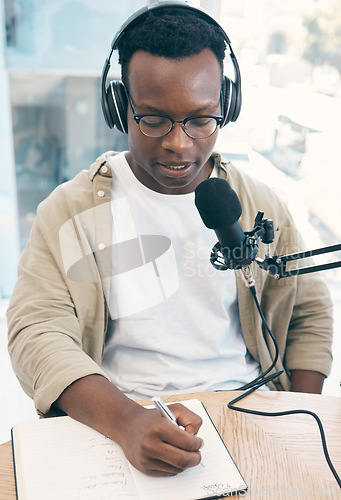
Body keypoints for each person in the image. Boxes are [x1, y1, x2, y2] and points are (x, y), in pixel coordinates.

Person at [7, 1, 333, 478]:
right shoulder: (72, 210)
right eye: (154, 119)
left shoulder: (262, 202)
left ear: (228, 107)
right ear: (120, 107)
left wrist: (296, 420)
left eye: (202, 120)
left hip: (249, 411)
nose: (179, 144)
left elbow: (309, 310)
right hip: (120, 415)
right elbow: (36, 331)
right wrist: (126, 421)